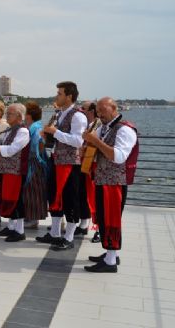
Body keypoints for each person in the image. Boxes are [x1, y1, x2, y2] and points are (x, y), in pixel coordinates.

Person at [82, 97, 136, 273]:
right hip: (102, 179)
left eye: (103, 109)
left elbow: (119, 157)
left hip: (114, 184)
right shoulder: (104, 128)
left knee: (111, 220)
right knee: (104, 219)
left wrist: (95, 142)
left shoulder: (125, 130)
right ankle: (109, 254)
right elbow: (93, 145)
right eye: (97, 110)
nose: (99, 113)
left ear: (114, 108)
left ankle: (111, 261)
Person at [36, 82, 87, 251]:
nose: (56, 96)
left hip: (70, 163)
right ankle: (55, 233)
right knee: (54, 196)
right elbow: (58, 138)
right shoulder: (61, 114)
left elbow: (78, 141)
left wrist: (54, 132)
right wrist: (46, 136)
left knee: (70, 199)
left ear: (69, 96)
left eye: (59, 93)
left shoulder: (78, 116)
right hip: (56, 159)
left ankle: (69, 237)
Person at [0, 103, 30, 242]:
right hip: (7, 170)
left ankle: (20, 230)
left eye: (10, 114)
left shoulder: (23, 131)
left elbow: (12, 149)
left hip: (16, 171)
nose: (7, 116)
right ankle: (11, 227)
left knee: (16, 200)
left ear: (19, 116)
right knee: (8, 199)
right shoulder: (11, 130)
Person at [22, 101, 49, 229]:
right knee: (31, 191)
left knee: (33, 190)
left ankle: (33, 219)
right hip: (33, 162)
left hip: (35, 163)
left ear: (29, 115)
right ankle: (30, 217)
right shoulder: (34, 127)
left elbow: (38, 146)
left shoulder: (36, 129)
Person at [79, 101, 102, 243]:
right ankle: (86, 224)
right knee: (86, 196)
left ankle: (99, 229)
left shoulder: (98, 125)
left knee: (96, 198)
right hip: (87, 164)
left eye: (84, 109)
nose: (81, 111)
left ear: (92, 111)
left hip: (95, 166)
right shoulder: (90, 125)